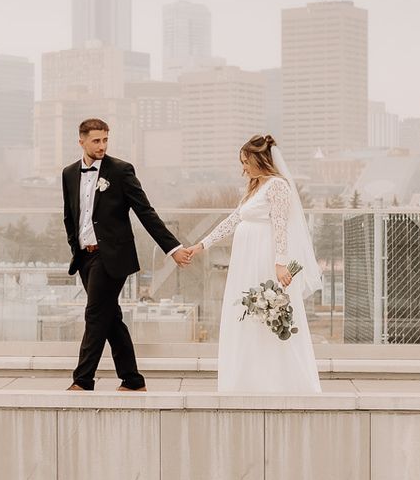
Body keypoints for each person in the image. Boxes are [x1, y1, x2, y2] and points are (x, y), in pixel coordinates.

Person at [173, 134, 321, 394]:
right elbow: (233, 220)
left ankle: (279, 380)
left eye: (245, 162)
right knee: (246, 314)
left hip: (262, 258)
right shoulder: (255, 187)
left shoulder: (277, 186)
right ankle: (247, 377)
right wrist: (202, 244)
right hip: (245, 259)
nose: (243, 168)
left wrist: (280, 264)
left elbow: (280, 226)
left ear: (259, 160)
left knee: (265, 313)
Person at [62, 118, 190, 392]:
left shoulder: (120, 171)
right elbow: (70, 215)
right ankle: (132, 380)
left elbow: (145, 211)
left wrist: (173, 248)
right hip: (85, 258)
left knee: (95, 315)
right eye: (96, 140)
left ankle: (82, 380)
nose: (102, 146)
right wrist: (76, 247)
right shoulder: (69, 173)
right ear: (81, 140)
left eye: (105, 140)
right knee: (111, 318)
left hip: (112, 258)